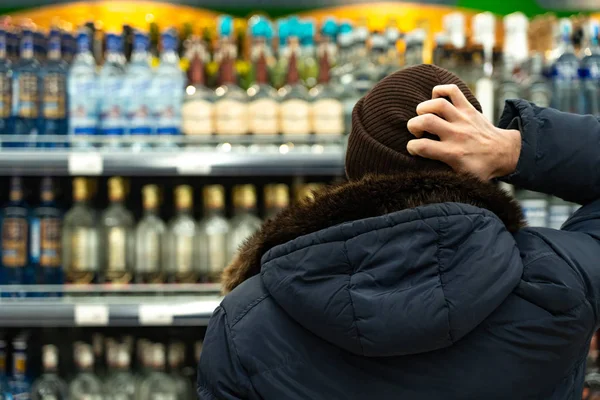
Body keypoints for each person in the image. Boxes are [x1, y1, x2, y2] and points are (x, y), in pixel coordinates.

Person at [197, 64, 600, 399]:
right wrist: (515, 149)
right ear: (481, 167)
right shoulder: (559, 284)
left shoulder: (246, 320)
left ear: (355, 175)